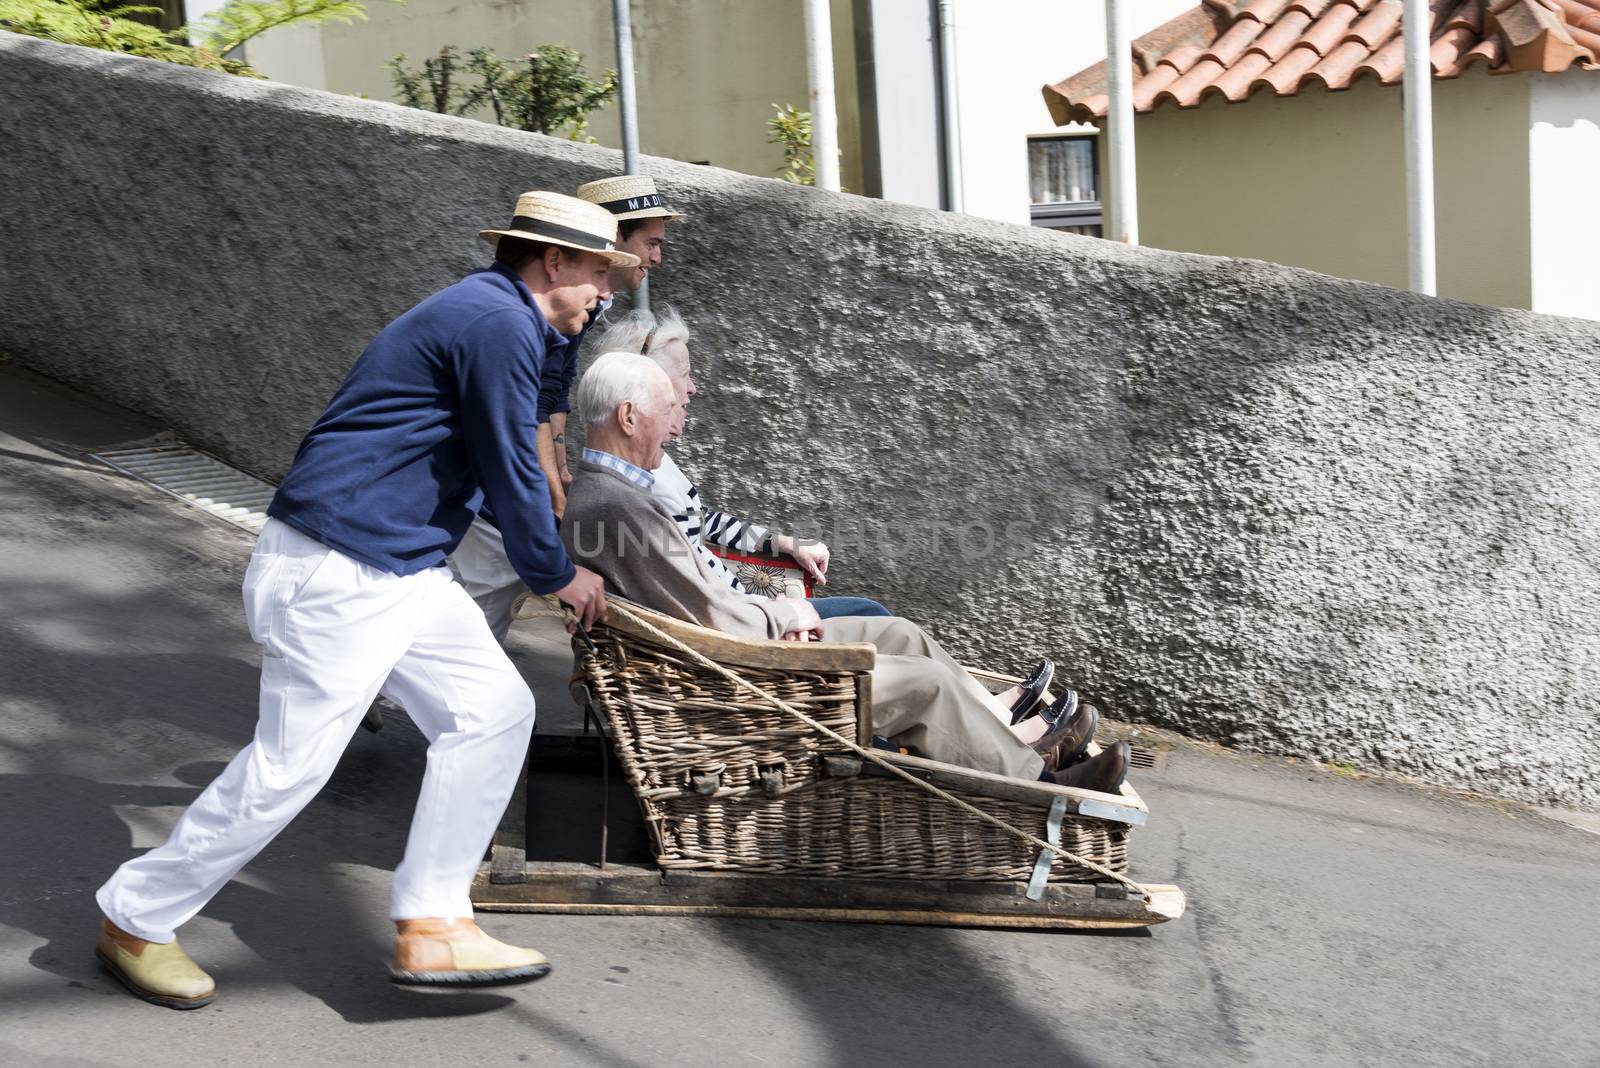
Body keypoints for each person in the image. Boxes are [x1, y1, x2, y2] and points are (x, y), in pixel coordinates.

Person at [91, 191, 631, 1009]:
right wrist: (556, 574)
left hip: (397, 569)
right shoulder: (497, 323)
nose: (604, 291)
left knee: (491, 711)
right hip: (337, 571)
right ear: (550, 262)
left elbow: (517, 439)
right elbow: (510, 465)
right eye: (597, 271)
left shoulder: (499, 314)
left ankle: (434, 923)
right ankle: (134, 918)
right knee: (287, 772)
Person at [559, 353, 1131, 792]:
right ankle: (1044, 786)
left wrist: (777, 611)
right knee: (925, 686)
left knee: (900, 633)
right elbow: (711, 617)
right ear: (629, 416)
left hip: (739, 653)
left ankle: (1013, 744)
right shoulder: (616, 507)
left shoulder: (612, 496)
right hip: (746, 677)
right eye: (670, 414)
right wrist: (785, 614)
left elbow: (699, 602)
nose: (678, 428)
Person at [451, 175, 684, 643]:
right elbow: (530, 407)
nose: (658, 257)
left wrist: (557, 473)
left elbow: (555, 388)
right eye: (650, 243)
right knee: (483, 591)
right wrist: (551, 495)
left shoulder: (579, 303)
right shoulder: (514, 318)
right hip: (466, 502)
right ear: (612, 237)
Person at [593, 307, 894, 621]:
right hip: (748, 623)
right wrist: (775, 612)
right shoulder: (640, 486)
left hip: (747, 610)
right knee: (873, 615)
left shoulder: (654, 461)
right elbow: (696, 592)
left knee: (875, 616)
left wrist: (785, 543)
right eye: (684, 375)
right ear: (646, 384)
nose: (693, 387)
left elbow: (702, 520)